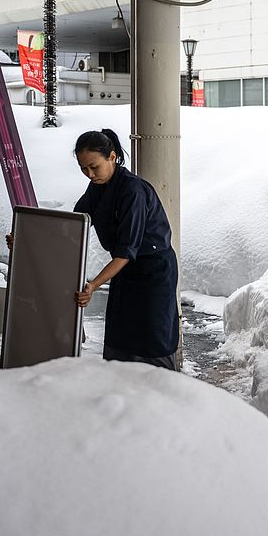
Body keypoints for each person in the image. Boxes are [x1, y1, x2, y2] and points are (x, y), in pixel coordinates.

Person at [71, 129, 180, 370]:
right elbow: (74, 222)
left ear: (112, 157)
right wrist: (29, 235)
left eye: (94, 167)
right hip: (124, 271)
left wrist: (93, 285)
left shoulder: (133, 190)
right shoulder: (97, 187)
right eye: (83, 169)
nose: (89, 174)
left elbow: (126, 250)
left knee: (152, 339)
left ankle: (164, 398)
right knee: (121, 338)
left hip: (153, 272)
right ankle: (122, 398)